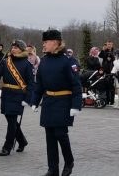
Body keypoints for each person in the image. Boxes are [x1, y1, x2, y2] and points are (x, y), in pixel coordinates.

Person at [31, 29, 82, 176]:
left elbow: (76, 85)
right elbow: (39, 83)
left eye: (46, 42)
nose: (44, 45)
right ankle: (52, 169)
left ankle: (69, 161)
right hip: (48, 102)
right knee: (50, 137)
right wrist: (35, 100)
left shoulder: (68, 61)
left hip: (63, 101)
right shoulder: (44, 61)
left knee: (60, 134)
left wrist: (75, 105)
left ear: (55, 42)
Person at [0, 39, 33, 156]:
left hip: (18, 95)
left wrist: (27, 99)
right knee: (11, 120)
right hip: (6, 94)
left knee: (11, 122)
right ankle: (22, 141)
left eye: (16, 47)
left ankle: (7, 146)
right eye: (12, 47)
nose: (13, 49)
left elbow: (31, 83)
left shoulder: (27, 64)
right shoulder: (6, 61)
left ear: (22, 49)